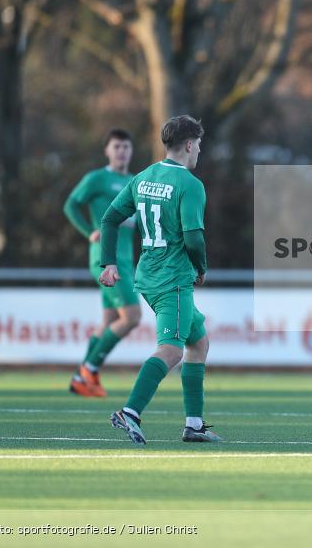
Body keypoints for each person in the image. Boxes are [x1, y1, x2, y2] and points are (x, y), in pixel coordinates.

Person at [99, 115, 221, 444]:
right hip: (173, 278)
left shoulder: (144, 177)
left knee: (199, 342)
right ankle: (130, 412)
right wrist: (202, 267)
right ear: (189, 145)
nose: (199, 152)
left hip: (149, 275)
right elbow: (193, 237)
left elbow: (110, 219)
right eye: (199, 146)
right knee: (171, 350)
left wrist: (108, 262)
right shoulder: (190, 185)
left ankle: (194, 424)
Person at [63, 129, 142, 397]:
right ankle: (89, 369)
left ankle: (80, 379)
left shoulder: (134, 182)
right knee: (132, 317)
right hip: (106, 259)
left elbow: (137, 222)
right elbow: (71, 205)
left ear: (131, 151)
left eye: (126, 147)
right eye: (117, 146)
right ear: (107, 150)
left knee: (109, 320)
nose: (122, 151)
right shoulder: (97, 179)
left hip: (126, 261)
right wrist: (89, 232)